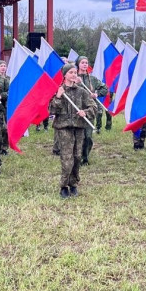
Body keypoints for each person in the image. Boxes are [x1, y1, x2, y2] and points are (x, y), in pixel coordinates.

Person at [49, 62, 97, 198]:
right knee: (67, 157)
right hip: (64, 128)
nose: (74, 75)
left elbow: (93, 107)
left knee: (77, 156)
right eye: (71, 72)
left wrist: (85, 112)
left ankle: (73, 184)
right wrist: (58, 97)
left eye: (75, 72)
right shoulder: (59, 90)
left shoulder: (81, 91)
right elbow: (52, 110)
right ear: (64, 75)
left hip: (79, 127)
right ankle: (64, 186)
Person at [76, 56, 106, 165]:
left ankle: (85, 157)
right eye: (82, 62)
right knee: (78, 136)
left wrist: (96, 94)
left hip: (89, 110)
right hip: (76, 110)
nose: (84, 64)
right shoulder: (73, 77)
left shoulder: (92, 79)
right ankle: (77, 157)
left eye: (86, 63)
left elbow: (104, 88)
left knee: (88, 136)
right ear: (78, 64)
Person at [0, 60, 10, 155]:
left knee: (7, 128)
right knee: (1, 128)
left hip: (7, 106)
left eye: (4, 66)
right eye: (1, 66)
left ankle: (4, 147)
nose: (3, 68)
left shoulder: (9, 78)